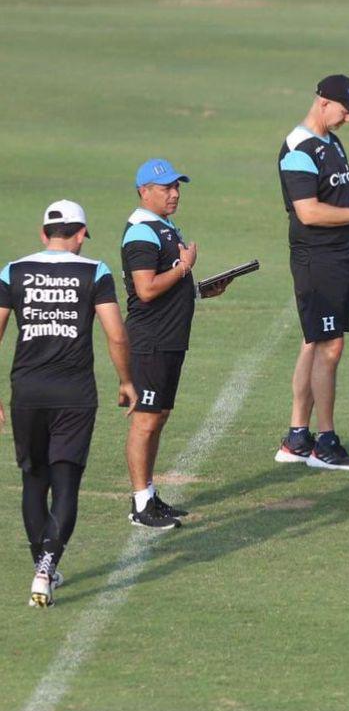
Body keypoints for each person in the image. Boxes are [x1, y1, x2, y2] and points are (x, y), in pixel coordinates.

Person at [0, 201, 136, 607]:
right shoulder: (94, 271)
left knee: (33, 479)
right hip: (74, 394)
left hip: (27, 391)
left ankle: (43, 567)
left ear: (44, 234)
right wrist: (127, 380)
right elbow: (116, 335)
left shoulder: (13, 271)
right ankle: (47, 567)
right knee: (65, 482)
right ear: (80, 235)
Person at [121, 159, 231, 529]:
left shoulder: (163, 227)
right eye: (167, 188)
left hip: (169, 340)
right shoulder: (141, 232)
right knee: (146, 421)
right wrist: (184, 268)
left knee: (159, 418)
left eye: (177, 186)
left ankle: (149, 495)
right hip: (150, 342)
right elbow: (146, 289)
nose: (175, 193)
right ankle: (140, 504)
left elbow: (166, 289)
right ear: (144, 191)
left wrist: (199, 291)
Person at [276, 75, 349, 470]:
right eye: (345, 111)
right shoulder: (299, 148)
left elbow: (340, 195)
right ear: (323, 102)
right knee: (330, 347)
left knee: (314, 342)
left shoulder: (330, 143)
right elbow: (310, 210)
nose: (348, 119)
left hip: (335, 257)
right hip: (317, 258)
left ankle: (298, 437)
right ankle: (325, 442)